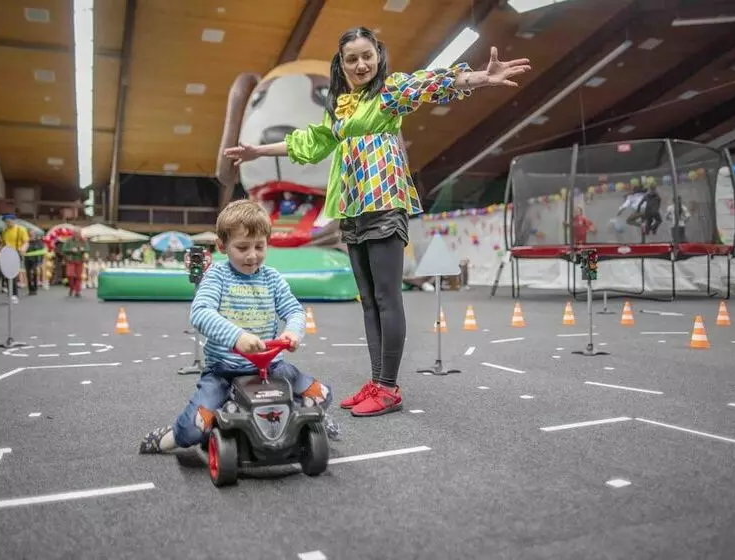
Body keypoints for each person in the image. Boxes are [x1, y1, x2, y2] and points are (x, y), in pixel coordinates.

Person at [224, 27, 531, 417]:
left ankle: (388, 387)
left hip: (384, 202)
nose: (361, 64)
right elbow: (312, 140)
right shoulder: (341, 106)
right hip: (352, 208)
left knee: (388, 298)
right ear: (342, 64)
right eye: (351, 58)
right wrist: (258, 151)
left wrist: (480, 78)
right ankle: (376, 381)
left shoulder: (390, 91)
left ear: (378, 57)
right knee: (368, 301)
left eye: (366, 55)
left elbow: (431, 83)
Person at [139, 200, 337, 454]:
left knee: (321, 395)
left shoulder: (272, 278)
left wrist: (292, 332)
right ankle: (169, 437)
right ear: (223, 247)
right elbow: (200, 313)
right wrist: (237, 337)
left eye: (259, 246)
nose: (252, 255)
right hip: (224, 371)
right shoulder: (217, 277)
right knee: (193, 429)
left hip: (271, 366)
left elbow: (294, 310)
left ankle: (310, 419)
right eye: (242, 247)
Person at [0, 214, 29, 304]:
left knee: (13, 274)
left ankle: (14, 295)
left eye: (9, 221)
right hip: (6, 254)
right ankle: (10, 293)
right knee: (6, 274)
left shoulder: (21, 229)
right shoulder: (4, 231)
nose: (7, 223)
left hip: (16, 254)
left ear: (14, 220)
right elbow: (3, 243)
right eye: (6, 222)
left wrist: (23, 248)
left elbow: (26, 242)